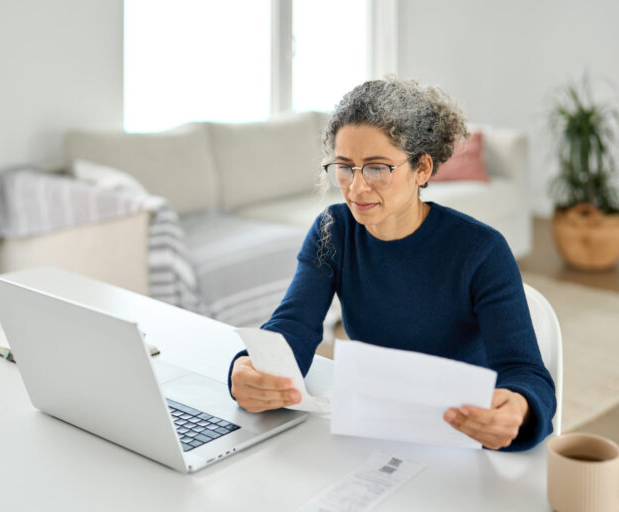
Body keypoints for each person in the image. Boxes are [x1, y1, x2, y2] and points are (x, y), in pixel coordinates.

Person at [227, 77, 556, 451]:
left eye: (377, 168)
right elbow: (292, 327)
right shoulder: (333, 232)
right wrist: (248, 369)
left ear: (422, 169)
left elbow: (526, 373)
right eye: (345, 167)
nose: (356, 187)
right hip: (377, 426)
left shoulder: (481, 251)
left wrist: (519, 408)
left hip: (463, 436)